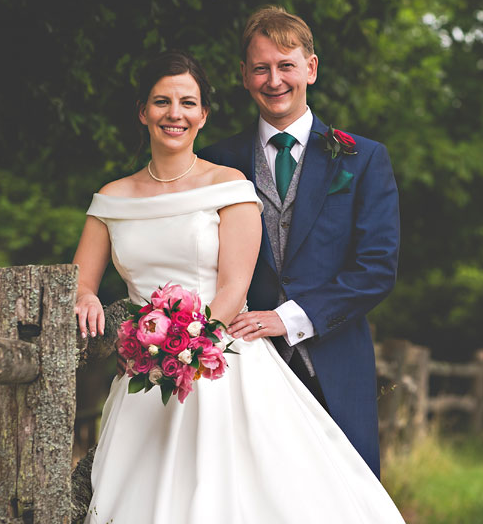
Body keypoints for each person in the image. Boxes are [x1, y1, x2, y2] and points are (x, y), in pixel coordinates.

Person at [74, 49, 405, 523]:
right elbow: (81, 280)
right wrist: (86, 296)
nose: (175, 113)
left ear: (203, 113)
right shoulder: (111, 198)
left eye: (187, 102)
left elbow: (234, 287)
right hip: (144, 378)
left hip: (222, 362)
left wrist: (186, 347)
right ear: (142, 111)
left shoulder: (230, 183)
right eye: (162, 101)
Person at [198, 6, 401, 478]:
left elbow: (375, 269)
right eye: (261, 68)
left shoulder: (363, 159)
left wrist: (285, 319)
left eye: (286, 65)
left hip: (333, 368)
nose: (275, 80)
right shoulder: (214, 162)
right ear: (244, 77)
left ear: (310, 67)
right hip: (238, 369)